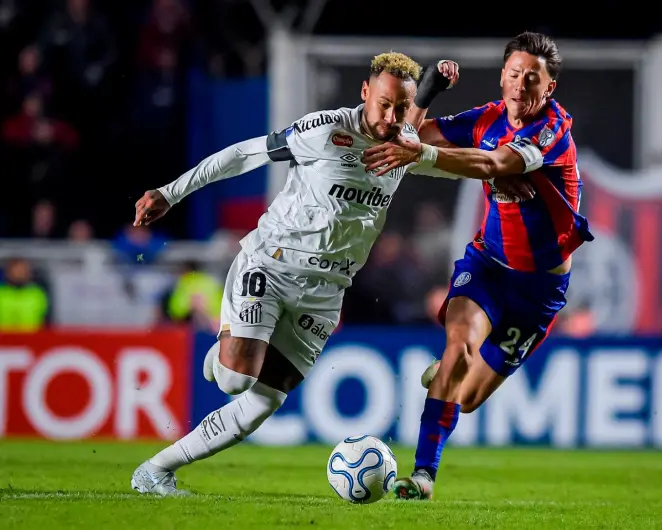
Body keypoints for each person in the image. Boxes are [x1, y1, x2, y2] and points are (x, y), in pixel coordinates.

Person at [128, 51, 461, 496]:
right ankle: (225, 352)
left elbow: (432, 134)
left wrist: (436, 91)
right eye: (383, 103)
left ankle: (155, 471)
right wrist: (171, 192)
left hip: (326, 293)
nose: (392, 116)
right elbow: (243, 154)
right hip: (271, 263)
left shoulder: (403, 145)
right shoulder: (325, 131)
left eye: (400, 108)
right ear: (365, 93)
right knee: (235, 380)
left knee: (261, 404)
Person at [361, 31, 595, 500]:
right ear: (502, 76)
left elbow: (495, 164)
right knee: (459, 351)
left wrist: (422, 154)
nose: (521, 86)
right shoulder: (487, 117)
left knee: (466, 400)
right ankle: (423, 475)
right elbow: (414, 137)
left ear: (549, 88)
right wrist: (426, 92)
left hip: (539, 293)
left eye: (533, 79)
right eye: (514, 74)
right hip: (487, 265)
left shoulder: (552, 129)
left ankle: (449, 373)